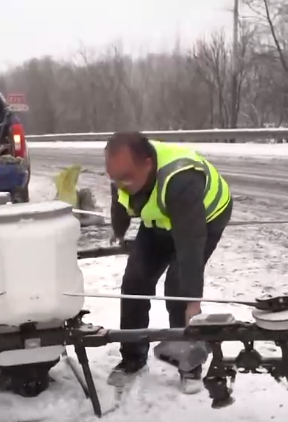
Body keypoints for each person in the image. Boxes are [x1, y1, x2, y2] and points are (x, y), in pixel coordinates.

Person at [103, 131, 233, 394]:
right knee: (135, 281)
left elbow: (189, 246)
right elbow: (120, 203)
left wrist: (192, 302)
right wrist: (119, 232)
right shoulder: (124, 173)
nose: (120, 184)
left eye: (125, 178)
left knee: (177, 288)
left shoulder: (181, 180)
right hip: (159, 221)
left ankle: (189, 363)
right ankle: (133, 357)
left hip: (203, 220)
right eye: (114, 178)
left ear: (147, 164)